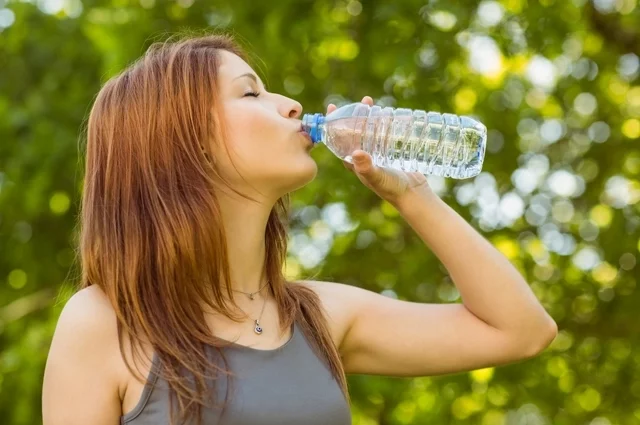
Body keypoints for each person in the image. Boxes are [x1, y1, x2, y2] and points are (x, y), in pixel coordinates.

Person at [42, 33, 558, 425]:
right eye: (250, 95)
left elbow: (521, 330)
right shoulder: (105, 322)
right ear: (182, 142)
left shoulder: (318, 318)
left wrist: (410, 194)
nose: (290, 104)